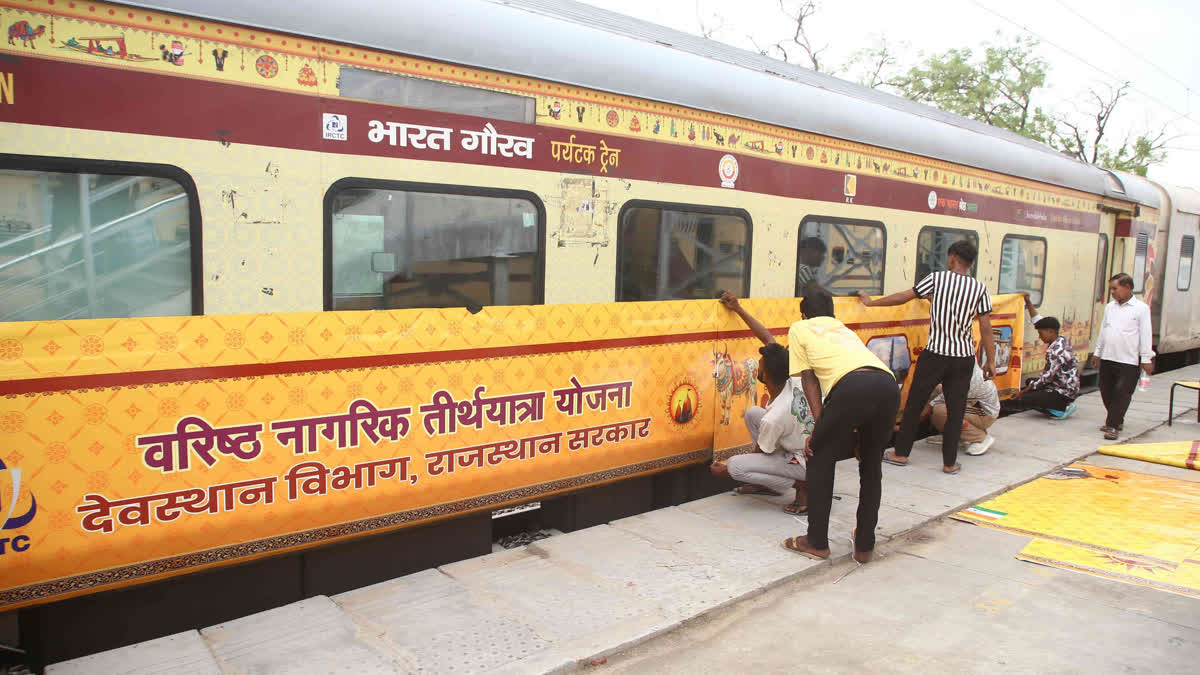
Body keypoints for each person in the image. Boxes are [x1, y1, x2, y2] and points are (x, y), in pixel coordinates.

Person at [780, 289, 899, 564]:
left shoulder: (800, 327)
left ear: (804, 314)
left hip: (851, 387)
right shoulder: (844, 330)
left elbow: (809, 379)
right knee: (871, 465)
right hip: (888, 385)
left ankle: (817, 542)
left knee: (818, 455)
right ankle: (865, 545)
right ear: (832, 313)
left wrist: (818, 428)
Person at [859, 240, 995, 474]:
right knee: (955, 410)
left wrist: (872, 303)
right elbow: (985, 327)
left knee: (915, 404)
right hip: (963, 358)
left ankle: (901, 453)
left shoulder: (937, 279)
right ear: (971, 263)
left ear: (953, 258)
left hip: (935, 354)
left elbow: (903, 296)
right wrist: (990, 360)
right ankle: (949, 463)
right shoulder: (979, 289)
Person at [711, 292, 812, 514]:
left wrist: (726, 470)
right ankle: (773, 483)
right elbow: (768, 339)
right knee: (753, 413)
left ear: (765, 376)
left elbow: (762, 453)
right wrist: (738, 308)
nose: (758, 365)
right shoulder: (793, 378)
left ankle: (802, 487)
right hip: (801, 445)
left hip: (802, 462)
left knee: (737, 466)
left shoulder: (776, 415)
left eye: (761, 365)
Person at [1089, 273, 1154, 440]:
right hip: (1108, 357)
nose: (1112, 292)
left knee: (1122, 393)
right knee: (1106, 391)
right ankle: (1117, 420)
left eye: (1115, 288)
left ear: (1127, 288)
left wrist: (1146, 359)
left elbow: (1146, 335)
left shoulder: (1141, 309)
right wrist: (1097, 353)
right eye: (1111, 288)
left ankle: (1112, 425)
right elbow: (1104, 331)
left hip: (1129, 361)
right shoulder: (1110, 307)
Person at [1003, 292, 1080, 418]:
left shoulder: (1056, 351)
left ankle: (1061, 409)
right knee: (1030, 382)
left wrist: (1021, 393)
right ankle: (1056, 404)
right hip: (1063, 386)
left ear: (1050, 332)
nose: (1039, 337)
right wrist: (1028, 301)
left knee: (1027, 399)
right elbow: (1038, 320)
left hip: (1064, 392)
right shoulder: (1061, 339)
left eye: (1041, 334)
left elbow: (1046, 378)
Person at [924, 363, 999, 456]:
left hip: (985, 415)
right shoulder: (963, 364)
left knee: (941, 410)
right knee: (936, 390)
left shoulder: (968, 378)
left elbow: (930, 407)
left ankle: (980, 438)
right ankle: (953, 435)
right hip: (972, 405)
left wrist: (908, 426)